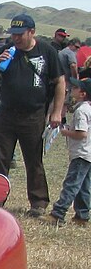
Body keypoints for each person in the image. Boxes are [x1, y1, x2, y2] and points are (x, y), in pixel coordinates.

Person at [0, 13, 65, 216]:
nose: (16, 38)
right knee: (1, 158)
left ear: (32, 32)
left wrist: (56, 112)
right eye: (13, 34)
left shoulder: (47, 51)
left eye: (20, 34)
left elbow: (60, 82)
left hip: (33, 114)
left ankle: (38, 203)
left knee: (33, 159)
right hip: (7, 113)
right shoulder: (7, 50)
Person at [48, 77, 91, 227]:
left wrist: (66, 132)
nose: (71, 90)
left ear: (82, 94)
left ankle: (58, 213)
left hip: (81, 153)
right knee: (84, 186)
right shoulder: (88, 108)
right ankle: (82, 215)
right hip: (88, 154)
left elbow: (81, 133)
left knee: (72, 184)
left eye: (75, 88)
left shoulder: (82, 111)